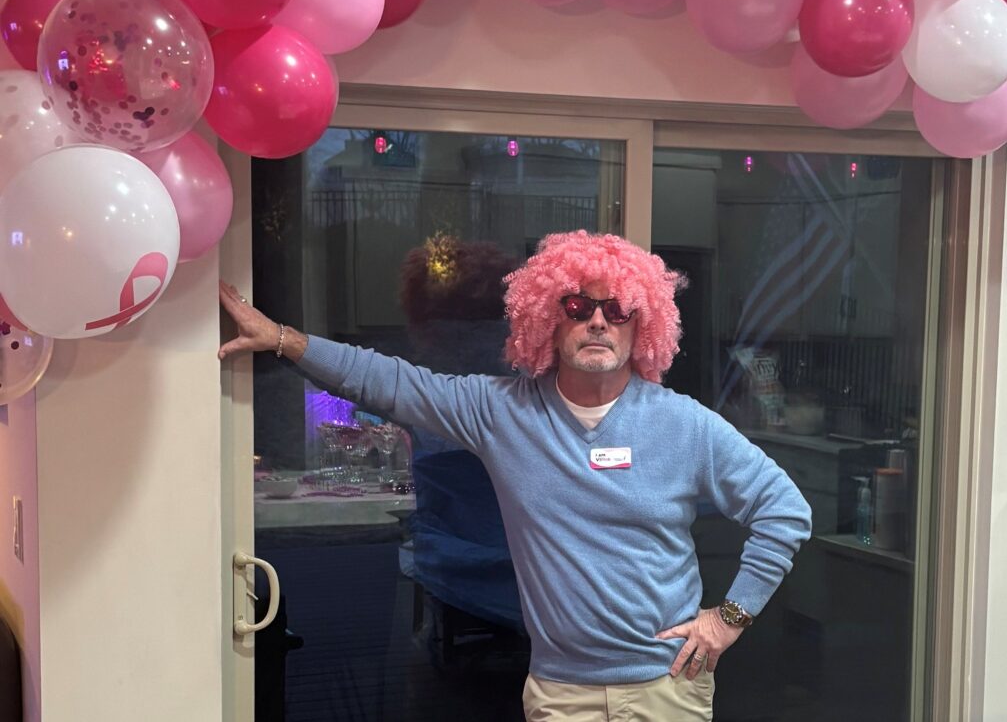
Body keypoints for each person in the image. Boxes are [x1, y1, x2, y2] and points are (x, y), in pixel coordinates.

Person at [219, 230, 812, 722]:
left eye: (618, 309)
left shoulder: (685, 425)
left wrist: (728, 620)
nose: (599, 322)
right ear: (548, 321)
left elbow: (784, 511)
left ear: (643, 326)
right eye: (579, 307)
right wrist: (279, 339)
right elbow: (388, 382)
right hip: (561, 693)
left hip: (666, 689)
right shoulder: (502, 412)